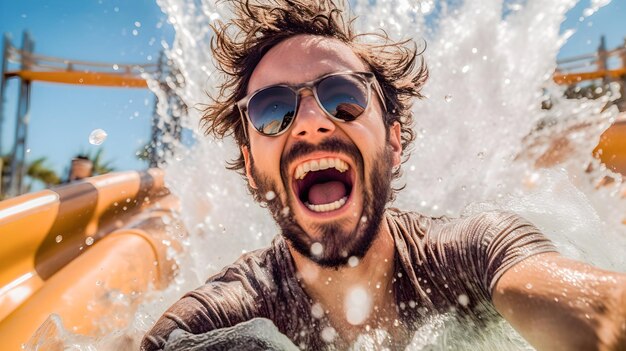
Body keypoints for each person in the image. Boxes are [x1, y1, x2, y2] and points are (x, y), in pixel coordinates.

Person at [142, 0, 626, 350]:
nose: (312, 120)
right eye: (273, 110)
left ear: (393, 141)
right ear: (250, 168)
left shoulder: (473, 255)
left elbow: (601, 311)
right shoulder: (221, 320)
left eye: (342, 96)